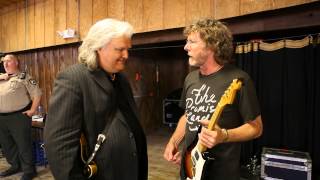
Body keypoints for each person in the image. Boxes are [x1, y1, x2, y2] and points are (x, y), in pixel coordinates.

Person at [44, 18, 148, 180]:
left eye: (128, 49)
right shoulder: (74, 79)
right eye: (120, 49)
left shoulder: (121, 79)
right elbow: (59, 147)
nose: (126, 55)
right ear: (98, 47)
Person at [163, 18, 263, 180]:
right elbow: (188, 116)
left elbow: (256, 128)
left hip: (222, 173)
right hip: (189, 169)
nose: (185, 47)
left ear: (212, 45)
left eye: (192, 42)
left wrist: (224, 135)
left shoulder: (239, 79)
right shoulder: (190, 78)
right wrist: (174, 141)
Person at [0, 54, 41, 180]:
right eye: (4, 62)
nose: (5, 64)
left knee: (23, 144)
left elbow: (37, 94)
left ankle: (29, 170)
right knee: (7, 145)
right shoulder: (1, 78)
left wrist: (32, 110)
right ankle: (15, 166)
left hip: (18, 116)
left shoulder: (24, 77)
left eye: (9, 61)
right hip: (2, 118)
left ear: (16, 62)